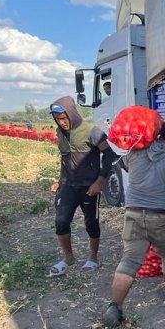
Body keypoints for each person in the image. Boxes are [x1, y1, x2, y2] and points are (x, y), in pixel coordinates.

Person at [103, 117, 165, 327]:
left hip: (133, 214)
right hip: (162, 217)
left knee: (129, 260)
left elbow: (123, 164)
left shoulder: (137, 150)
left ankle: (115, 305)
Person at [49, 96, 116, 276]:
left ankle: (93, 258)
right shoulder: (61, 133)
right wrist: (60, 180)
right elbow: (65, 159)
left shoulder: (92, 131)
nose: (62, 123)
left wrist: (100, 182)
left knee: (91, 223)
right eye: (58, 119)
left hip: (89, 187)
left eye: (64, 118)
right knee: (61, 221)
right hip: (69, 185)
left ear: (72, 114)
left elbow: (109, 156)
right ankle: (68, 257)